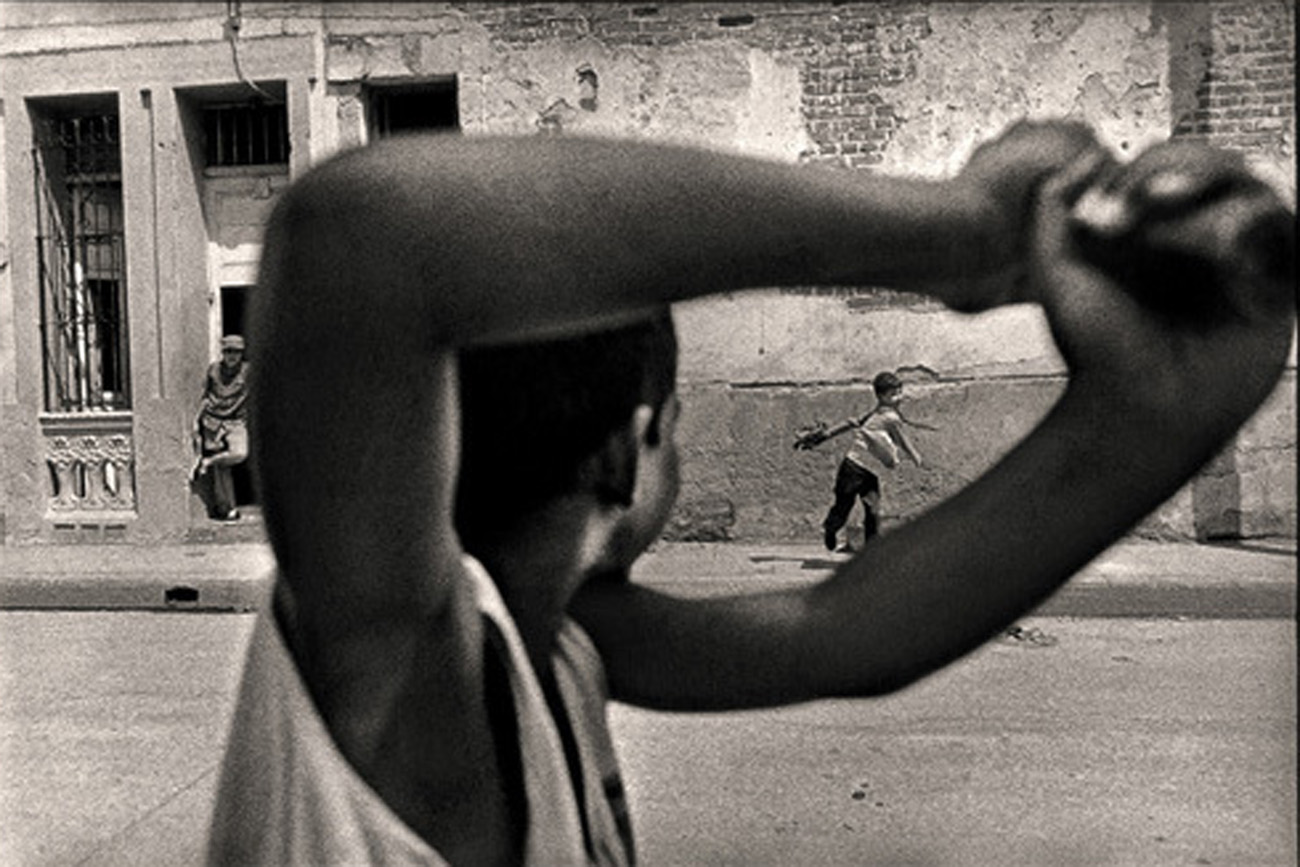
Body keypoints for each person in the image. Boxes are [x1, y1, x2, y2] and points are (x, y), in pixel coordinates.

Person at [206, 122, 1295, 866]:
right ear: (627, 457)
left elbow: (842, 631)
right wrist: (958, 231)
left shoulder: (564, 648)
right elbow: (362, 235)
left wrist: (1150, 418)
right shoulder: (402, 666)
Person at [800, 369, 934, 552]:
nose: (899, 397)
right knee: (843, 507)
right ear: (881, 396)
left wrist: (826, 435)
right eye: (893, 395)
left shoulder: (879, 413)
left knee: (873, 510)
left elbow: (851, 423)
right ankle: (830, 528)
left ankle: (871, 551)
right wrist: (917, 458)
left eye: (899, 392)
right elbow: (903, 440)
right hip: (852, 469)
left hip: (870, 472)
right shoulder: (889, 417)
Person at [191, 334, 249, 521]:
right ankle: (227, 509)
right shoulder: (214, 370)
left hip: (236, 421)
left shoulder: (248, 371)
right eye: (228, 351)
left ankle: (207, 462)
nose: (233, 356)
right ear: (223, 352)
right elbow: (206, 397)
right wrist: (195, 421)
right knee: (222, 470)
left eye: (237, 352)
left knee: (239, 452)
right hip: (213, 421)